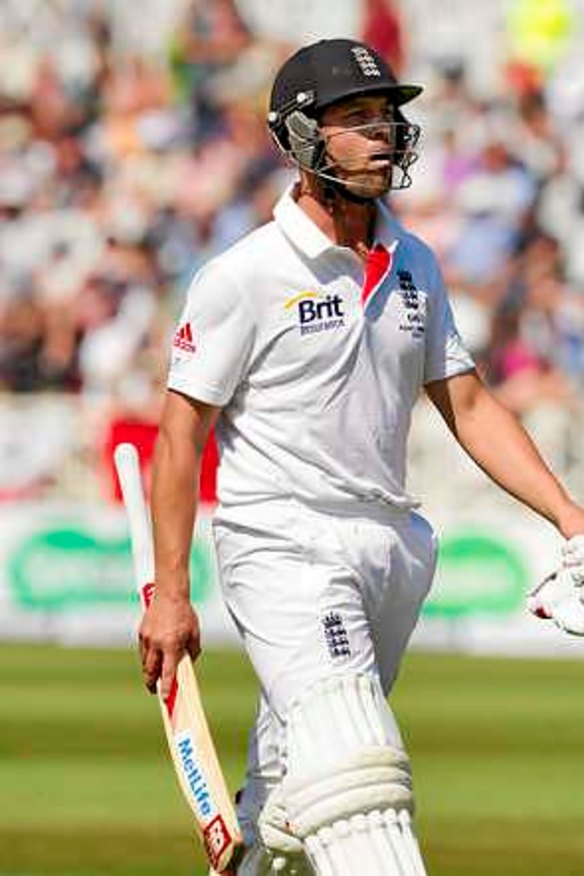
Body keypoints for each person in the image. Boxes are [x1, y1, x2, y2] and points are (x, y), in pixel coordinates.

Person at [139, 38, 584, 875]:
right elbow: (179, 433)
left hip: (389, 546)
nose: (383, 133)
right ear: (301, 138)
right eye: (355, 119)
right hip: (283, 542)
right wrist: (171, 596)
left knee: (291, 782)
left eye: (387, 115)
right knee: (356, 772)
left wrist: (570, 516)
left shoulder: (414, 261)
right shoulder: (245, 275)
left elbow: (470, 402)